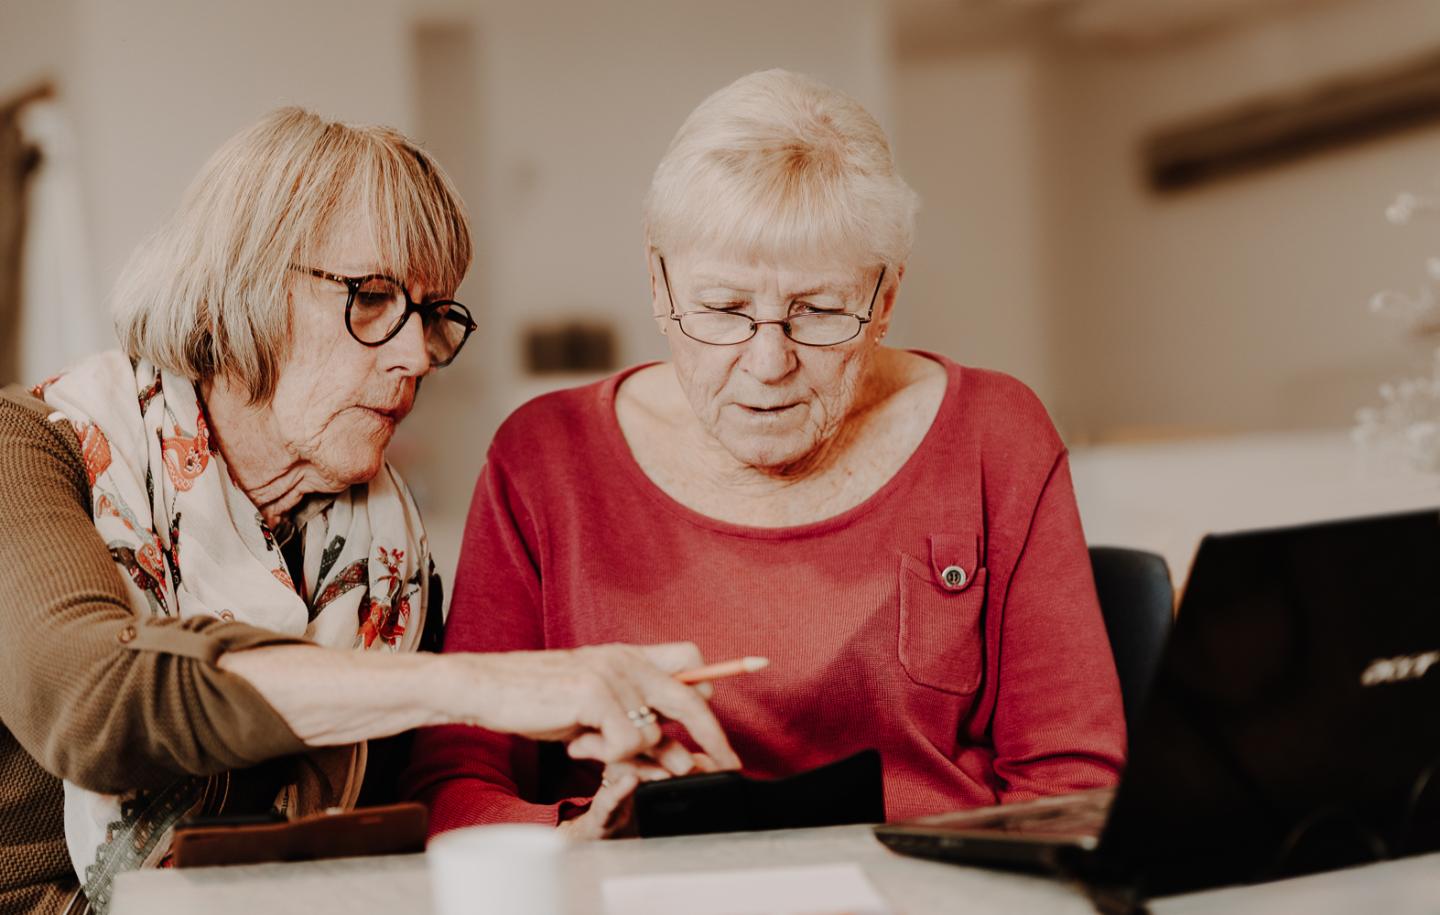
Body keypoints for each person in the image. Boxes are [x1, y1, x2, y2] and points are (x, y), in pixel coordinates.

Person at [0, 107, 737, 914]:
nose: (416, 355)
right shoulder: (26, 450)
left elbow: (386, 853)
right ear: (238, 281)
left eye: (432, 314)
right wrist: (484, 683)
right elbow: (98, 701)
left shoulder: (387, 554)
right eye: (374, 297)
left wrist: (577, 844)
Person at [404, 69, 1126, 840]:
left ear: (883, 299)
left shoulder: (994, 435)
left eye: (817, 311)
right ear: (657, 280)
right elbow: (457, 776)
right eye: (723, 310)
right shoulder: (545, 458)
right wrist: (571, 840)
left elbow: (1074, 781)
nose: (768, 361)